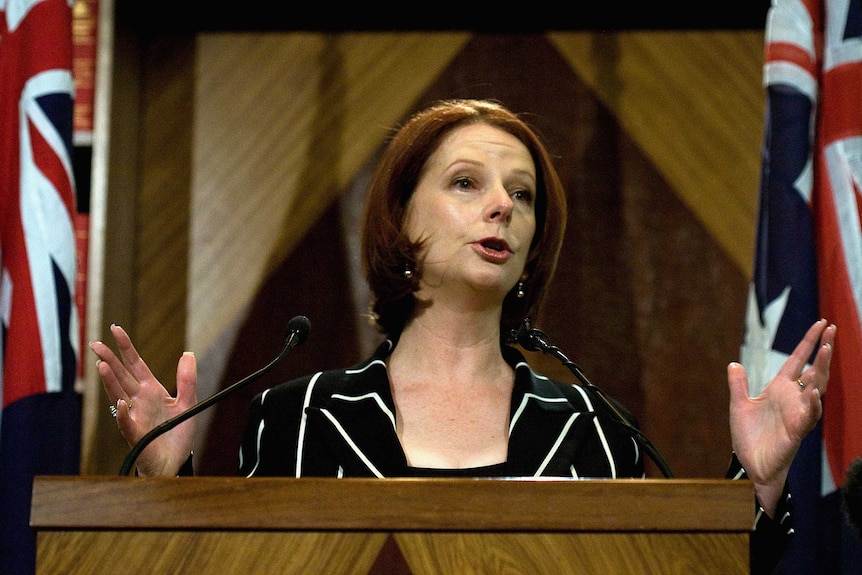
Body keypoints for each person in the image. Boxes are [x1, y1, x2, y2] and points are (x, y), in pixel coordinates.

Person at [91, 98, 836, 573]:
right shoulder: (301, 415)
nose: (501, 208)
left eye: (522, 195)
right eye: (466, 183)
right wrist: (167, 484)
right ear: (400, 218)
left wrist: (760, 481)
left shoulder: (588, 428)